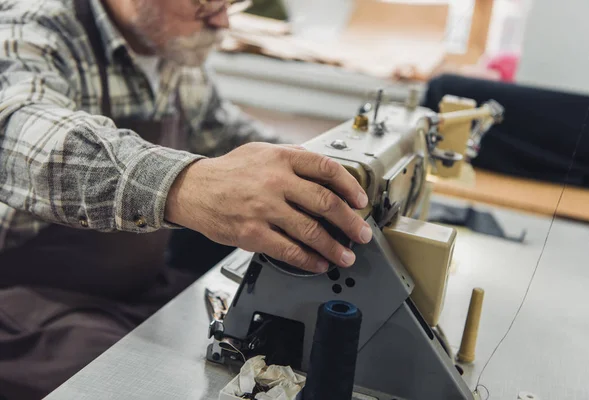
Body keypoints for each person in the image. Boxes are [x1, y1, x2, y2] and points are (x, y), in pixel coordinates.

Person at [0, 0, 373, 398]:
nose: (222, 20)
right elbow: (16, 127)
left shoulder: (170, 49)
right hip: (26, 303)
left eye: (232, 3)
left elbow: (226, 134)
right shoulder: (33, 27)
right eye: (206, 2)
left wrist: (326, 175)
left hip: (139, 288)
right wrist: (185, 184)